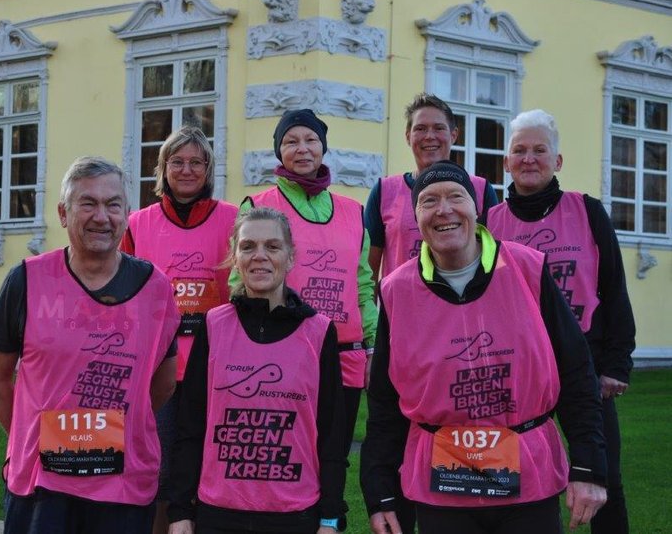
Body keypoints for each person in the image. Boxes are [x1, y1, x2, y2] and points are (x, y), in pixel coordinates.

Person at [360, 159, 608, 534]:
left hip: (527, 478)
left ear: (477, 209)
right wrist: (380, 492)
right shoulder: (397, 290)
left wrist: (588, 465)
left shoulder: (528, 268)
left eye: (455, 196)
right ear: (416, 216)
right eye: (428, 201)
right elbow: (384, 402)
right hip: (443, 485)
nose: (443, 210)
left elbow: (576, 371)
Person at [0, 157, 181, 534]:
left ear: (127, 213)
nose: (101, 216)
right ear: (62, 212)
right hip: (42, 486)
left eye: (113, 204)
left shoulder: (156, 288)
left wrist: (118, 424)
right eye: (87, 203)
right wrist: (34, 436)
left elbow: (164, 382)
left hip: (123, 486)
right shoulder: (26, 280)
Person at [486, 109, 635, 534]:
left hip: (584, 364)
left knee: (602, 477)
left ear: (558, 160)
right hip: (516, 366)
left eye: (539, 150)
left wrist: (615, 364)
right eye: (519, 150)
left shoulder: (587, 212)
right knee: (514, 475)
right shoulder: (489, 224)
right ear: (506, 162)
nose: (529, 158)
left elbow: (614, 290)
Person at [169, 207, 348, 534]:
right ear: (235, 257)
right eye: (248, 246)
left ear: (290, 257)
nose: (259, 256)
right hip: (219, 513)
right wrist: (180, 511)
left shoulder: (319, 331)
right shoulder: (214, 325)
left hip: (294, 515)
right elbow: (191, 425)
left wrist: (330, 517)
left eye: (273, 246)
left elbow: (332, 437)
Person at [236, 109, 378, 463]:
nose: (302, 149)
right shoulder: (258, 206)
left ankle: (330, 519)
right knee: (285, 456)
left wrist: (374, 346)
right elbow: (239, 283)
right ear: (278, 151)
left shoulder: (354, 212)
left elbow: (362, 284)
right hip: (283, 351)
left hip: (346, 354)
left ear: (323, 147)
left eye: (311, 140)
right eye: (291, 141)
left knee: (334, 458)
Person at [121, 126, 238, 534]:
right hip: (159, 370)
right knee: (159, 471)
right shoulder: (137, 223)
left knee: (211, 467)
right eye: (177, 162)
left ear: (208, 169)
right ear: (163, 168)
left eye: (196, 162)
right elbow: (125, 297)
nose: (187, 170)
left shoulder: (234, 218)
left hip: (218, 368)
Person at [364, 93, 498, 282]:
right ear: (408, 137)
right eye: (420, 128)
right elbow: (367, 274)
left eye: (438, 128)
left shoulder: (481, 190)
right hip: (403, 306)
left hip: (465, 306)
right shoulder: (384, 191)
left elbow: (496, 262)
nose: (429, 136)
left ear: (454, 135)